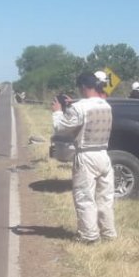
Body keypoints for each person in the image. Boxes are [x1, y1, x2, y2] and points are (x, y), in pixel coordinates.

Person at [52, 72, 117, 243]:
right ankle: (108, 233)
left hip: (86, 155)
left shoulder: (79, 107)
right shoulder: (106, 105)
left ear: (82, 87)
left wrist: (58, 112)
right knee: (105, 199)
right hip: (104, 155)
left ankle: (89, 236)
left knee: (85, 198)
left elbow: (60, 127)